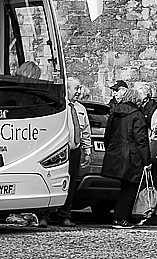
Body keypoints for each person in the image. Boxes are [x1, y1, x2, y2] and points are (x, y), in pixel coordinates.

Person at [102, 86, 151, 228]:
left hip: (117, 152)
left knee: (125, 186)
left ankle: (125, 215)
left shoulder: (114, 113)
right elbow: (141, 140)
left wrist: (110, 150)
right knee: (130, 187)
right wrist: (147, 161)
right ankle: (120, 217)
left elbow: (108, 135)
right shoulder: (137, 115)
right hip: (132, 155)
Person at [54, 77, 92, 226]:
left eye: (79, 88)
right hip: (58, 151)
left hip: (74, 151)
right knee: (55, 181)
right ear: (67, 89)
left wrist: (87, 152)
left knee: (70, 183)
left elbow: (85, 132)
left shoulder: (80, 109)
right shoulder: (59, 107)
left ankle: (65, 215)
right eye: (76, 88)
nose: (79, 92)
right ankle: (45, 214)